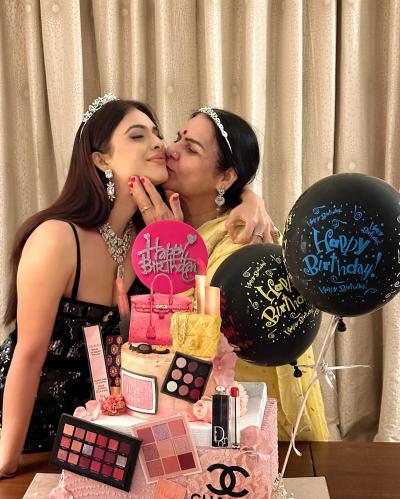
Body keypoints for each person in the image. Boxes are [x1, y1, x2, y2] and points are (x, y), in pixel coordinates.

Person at [0, 96, 270, 477]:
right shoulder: (57, 239)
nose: (160, 144)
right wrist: (7, 456)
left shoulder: (152, 236)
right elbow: (28, 354)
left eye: (158, 134)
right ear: (101, 160)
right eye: (138, 135)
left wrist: (250, 198)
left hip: (101, 435)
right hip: (25, 429)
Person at [128, 107, 329, 442]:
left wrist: (171, 250)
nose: (170, 149)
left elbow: (201, 334)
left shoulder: (242, 240)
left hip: (239, 418)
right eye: (177, 138)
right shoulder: (153, 214)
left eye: (191, 149)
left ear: (225, 178)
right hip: (169, 411)